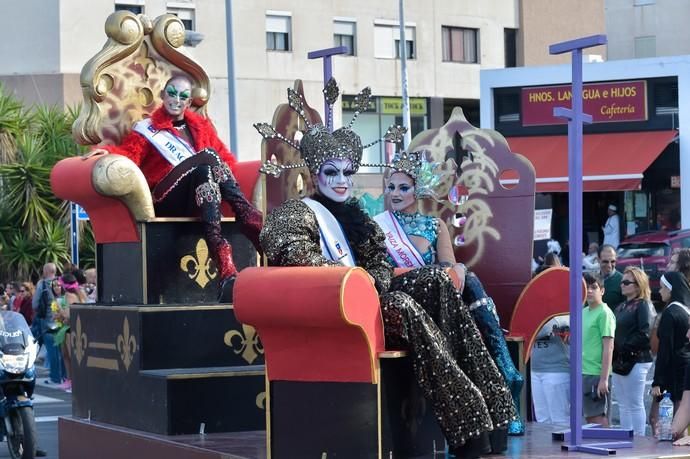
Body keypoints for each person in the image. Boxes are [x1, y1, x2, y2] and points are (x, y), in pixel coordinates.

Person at [256, 86, 515, 457]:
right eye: (332, 172)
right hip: (337, 310)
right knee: (407, 309)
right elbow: (293, 255)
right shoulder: (296, 214)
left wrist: (371, 281)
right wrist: (356, 281)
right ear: (315, 175)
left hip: (370, 297)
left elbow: (378, 260)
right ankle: (469, 424)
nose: (342, 180)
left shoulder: (361, 219)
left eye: (348, 171)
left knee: (438, 280)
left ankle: (496, 408)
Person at [372, 152, 525, 435]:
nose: (395, 193)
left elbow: (447, 265)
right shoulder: (376, 227)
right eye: (391, 187)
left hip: (437, 294)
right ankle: (504, 374)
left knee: (469, 277)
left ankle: (505, 369)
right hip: (401, 300)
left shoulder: (434, 225)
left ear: (418, 190)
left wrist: (457, 271)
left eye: (403, 187)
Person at [92, 75, 262, 301]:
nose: (176, 99)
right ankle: (248, 216)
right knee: (208, 156)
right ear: (163, 96)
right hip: (166, 197)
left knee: (205, 170)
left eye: (183, 96)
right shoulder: (149, 129)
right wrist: (107, 153)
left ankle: (225, 265)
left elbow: (226, 160)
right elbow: (130, 155)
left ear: (189, 102)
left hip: (200, 196)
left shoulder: (201, 128)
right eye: (172, 93)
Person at [611, 267, 655, 436]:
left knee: (635, 403)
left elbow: (644, 332)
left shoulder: (643, 304)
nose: (622, 285)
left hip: (637, 359)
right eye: (622, 281)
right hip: (621, 359)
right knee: (623, 403)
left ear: (638, 285)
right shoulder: (621, 306)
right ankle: (626, 438)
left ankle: (638, 440)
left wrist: (623, 348)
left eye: (627, 282)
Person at [582, 272, 616, 427]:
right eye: (586, 287)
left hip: (596, 374)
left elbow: (608, 347)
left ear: (602, 291)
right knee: (589, 417)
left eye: (594, 287)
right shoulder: (583, 312)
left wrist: (604, 379)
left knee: (598, 418)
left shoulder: (604, 313)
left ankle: (605, 446)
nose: (589, 290)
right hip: (583, 372)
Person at [652, 272, 690, 406]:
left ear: (671, 289)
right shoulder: (686, 310)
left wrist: (658, 382)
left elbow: (665, 349)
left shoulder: (670, 313)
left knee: (678, 418)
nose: (659, 291)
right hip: (686, 366)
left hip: (676, 372)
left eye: (662, 287)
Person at [531, 315, 571, 425]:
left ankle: (562, 442)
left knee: (560, 419)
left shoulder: (564, 315)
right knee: (542, 418)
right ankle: (545, 443)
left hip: (556, 370)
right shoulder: (530, 311)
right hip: (534, 369)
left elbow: (543, 329)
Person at [53, 273, 86, 392]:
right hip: (74, 328)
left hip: (70, 329)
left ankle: (73, 382)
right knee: (67, 356)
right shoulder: (80, 294)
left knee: (71, 357)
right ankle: (70, 381)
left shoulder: (68, 295)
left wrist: (58, 307)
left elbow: (68, 315)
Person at [599, 244, 625, 309]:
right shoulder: (592, 280)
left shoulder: (623, 281)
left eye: (613, 261)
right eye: (605, 261)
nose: (609, 265)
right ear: (598, 260)